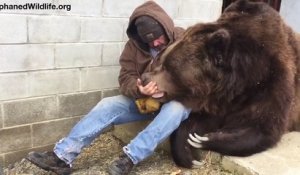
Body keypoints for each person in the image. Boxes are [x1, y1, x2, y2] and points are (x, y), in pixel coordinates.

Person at [26, 1, 190, 175]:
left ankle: (130, 158)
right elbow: (125, 78)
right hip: (145, 102)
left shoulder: (186, 42)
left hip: (176, 100)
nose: (155, 43)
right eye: (148, 40)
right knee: (108, 104)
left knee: (176, 109)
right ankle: (62, 157)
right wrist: (139, 89)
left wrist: (167, 91)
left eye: (158, 37)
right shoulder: (133, 46)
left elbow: (196, 81)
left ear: (166, 27)